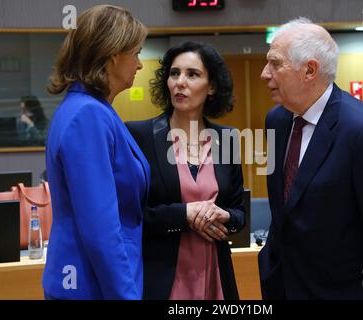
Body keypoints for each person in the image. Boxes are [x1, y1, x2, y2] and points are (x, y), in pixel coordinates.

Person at [258, 17, 363, 299]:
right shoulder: (276, 121)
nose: (264, 73)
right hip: (284, 287)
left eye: (275, 63)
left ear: (310, 70)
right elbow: (285, 210)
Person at [42, 5, 150, 299]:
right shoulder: (88, 115)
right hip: (91, 285)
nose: (139, 64)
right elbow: (100, 229)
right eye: (137, 53)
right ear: (114, 55)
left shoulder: (92, 108)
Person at [126, 40, 245, 300]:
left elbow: (240, 214)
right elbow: (130, 215)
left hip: (216, 277)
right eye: (174, 73)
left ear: (211, 86)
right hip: (161, 279)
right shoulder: (140, 135)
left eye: (192, 74)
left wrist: (223, 215)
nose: (180, 82)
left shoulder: (227, 139)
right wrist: (184, 215)